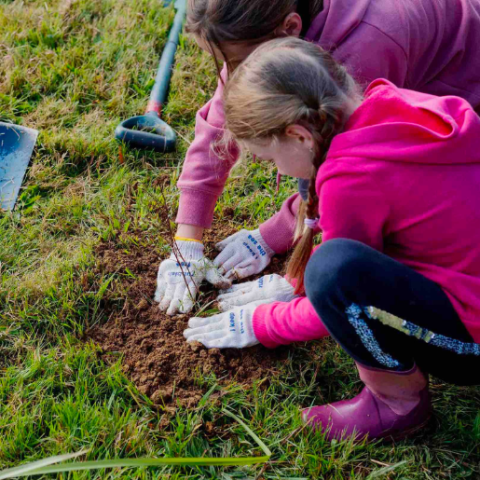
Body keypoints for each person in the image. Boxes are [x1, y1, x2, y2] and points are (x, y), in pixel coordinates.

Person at [183, 38, 480, 441]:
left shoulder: (349, 178)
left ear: (299, 135)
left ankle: (397, 404)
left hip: (472, 345)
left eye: (271, 159)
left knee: (331, 271)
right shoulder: (389, 104)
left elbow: (339, 292)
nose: (280, 171)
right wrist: (282, 264)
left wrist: (260, 322)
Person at [155, 0, 480, 316]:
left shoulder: (362, 54)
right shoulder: (272, 29)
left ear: (290, 30)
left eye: (237, 61)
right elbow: (219, 123)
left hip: (464, 89)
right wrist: (187, 239)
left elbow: (350, 175)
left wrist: (275, 241)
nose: (231, 72)